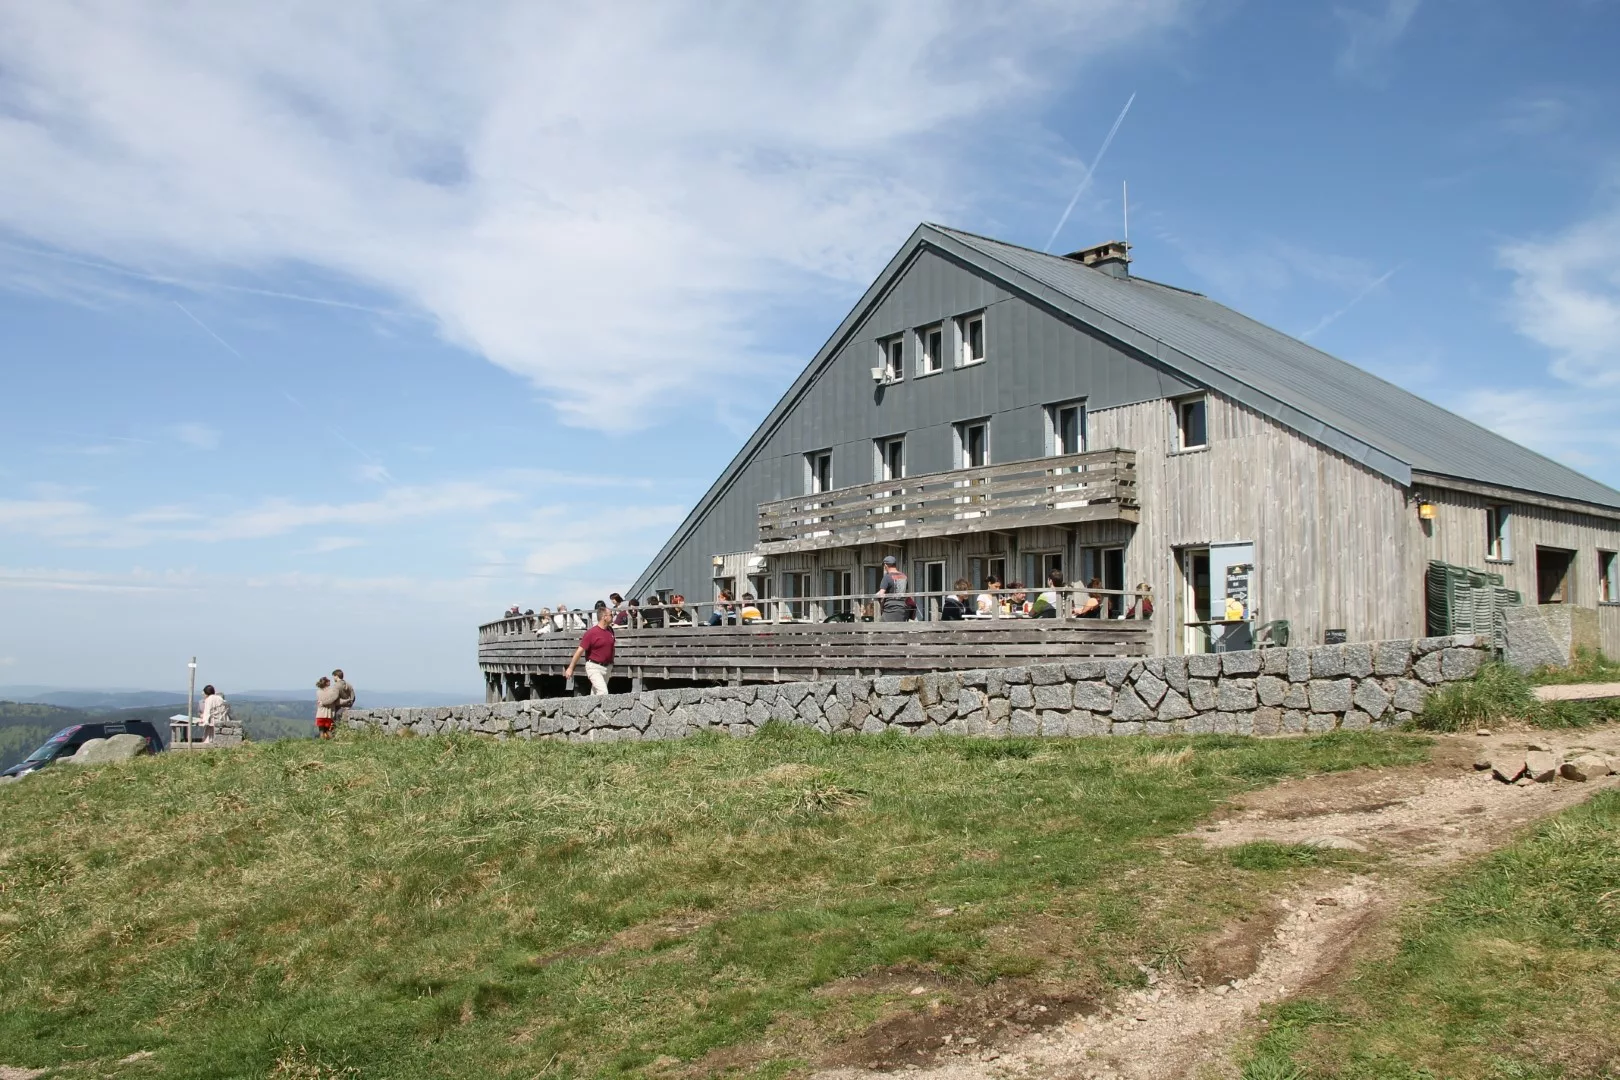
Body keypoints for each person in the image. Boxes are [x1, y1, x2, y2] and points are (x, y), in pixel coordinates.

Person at [563, 606, 617, 696]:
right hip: (594, 666)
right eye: (611, 615)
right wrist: (570, 668)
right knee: (603, 692)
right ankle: (604, 710)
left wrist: (612, 663)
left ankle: (590, 709)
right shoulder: (591, 633)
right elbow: (579, 651)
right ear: (604, 617)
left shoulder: (610, 630)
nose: (612, 616)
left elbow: (612, 647)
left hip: (607, 667)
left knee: (595, 693)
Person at [875, 555, 910, 622]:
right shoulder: (904, 577)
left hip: (890, 609)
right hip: (902, 609)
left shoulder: (887, 577)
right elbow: (906, 592)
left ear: (885, 565)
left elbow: (881, 594)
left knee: (881, 629)